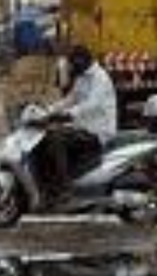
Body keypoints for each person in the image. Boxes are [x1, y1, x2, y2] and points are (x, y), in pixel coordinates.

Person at [39, 45, 118, 198]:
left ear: (81, 61)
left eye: (73, 63)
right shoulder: (82, 77)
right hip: (83, 127)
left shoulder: (100, 78)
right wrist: (48, 110)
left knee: (57, 139)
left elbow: (92, 104)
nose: (71, 67)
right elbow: (71, 98)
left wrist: (68, 114)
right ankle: (49, 181)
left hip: (98, 131)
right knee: (45, 137)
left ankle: (64, 186)